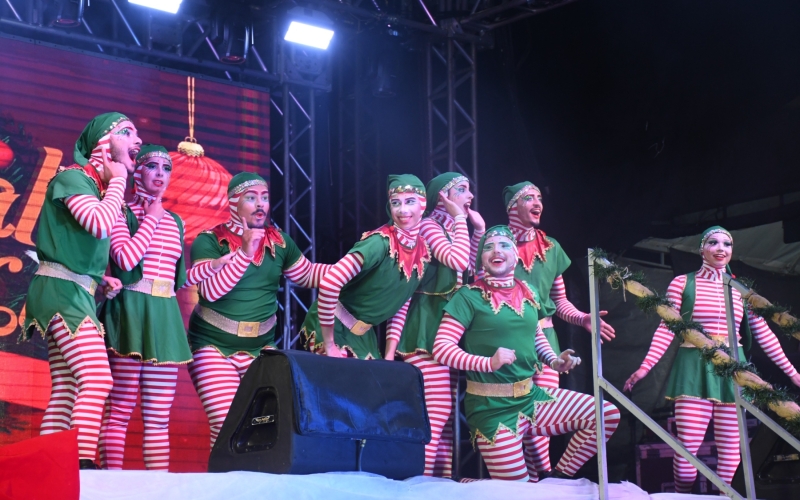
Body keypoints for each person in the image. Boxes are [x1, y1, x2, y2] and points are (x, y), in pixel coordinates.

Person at [432, 225, 620, 481]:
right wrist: (488, 363)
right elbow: (442, 349)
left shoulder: (529, 291)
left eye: (504, 245)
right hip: (492, 409)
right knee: (520, 491)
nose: (496, 251)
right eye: (488, 247)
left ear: (516, 255)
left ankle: (558, 478)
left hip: (531, 398)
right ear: (481, 258)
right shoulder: (468, 296)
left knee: (606, 414)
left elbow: (535, 334)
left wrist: (554, 360)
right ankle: (473, 488)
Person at [624, 225, 800, 492]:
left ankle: (726, 497)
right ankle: (683, 496)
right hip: (694, 366)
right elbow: (667, 327)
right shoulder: (683, 282)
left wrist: (793, 372)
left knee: (731, 449)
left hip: (734, 369)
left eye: (727, 244)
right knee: (687, 448)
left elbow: (764, 334)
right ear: (701, 249)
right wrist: (645, 367)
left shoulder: (741, 290)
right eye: (713, 243)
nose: (721, 249)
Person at [97, 145, 231, 470]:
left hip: (165, 317)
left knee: (158, 416)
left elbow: (177, 281)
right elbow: (125, 259)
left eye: (166, 168)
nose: (160, 174)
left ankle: (158, 487)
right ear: (138, 171)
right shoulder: (120, 212)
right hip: (130, 311)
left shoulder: (175, 221)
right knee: (120, 410)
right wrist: (151, 221)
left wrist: (213, 267)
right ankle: (110, 485)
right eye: (152, 166)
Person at [22, 112, 141, 469]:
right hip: (61, 292)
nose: (137, 140)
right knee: (97, 378)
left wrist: (98, 279)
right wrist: (119, 181)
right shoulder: (73, 177)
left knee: (67, 386)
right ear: (103, 142)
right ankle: (81, 466)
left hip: (72, 289)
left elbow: (75, 242)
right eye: (127, 132)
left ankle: (49, 468)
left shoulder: (95, 187)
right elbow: (99, 224)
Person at [187, 172, 330, 447]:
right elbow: (211, 291)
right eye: (251, 198)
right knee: (225, 422)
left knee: (261, 426)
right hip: (213, 345)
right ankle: (222, 476)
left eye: (264, 197)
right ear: (233, 203)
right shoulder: (210, 240)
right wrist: (244, 253)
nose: (261, 204)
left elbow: (307, 274)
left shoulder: (279, 241)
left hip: (260, 347)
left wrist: (351, 269)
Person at [503, 180, 616, 477]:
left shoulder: (550, 247)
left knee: (542, 420)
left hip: (546, 338)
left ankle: (548, 481)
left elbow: (560, 301)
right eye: (529, 198)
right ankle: (525, 484)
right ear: (512, 206)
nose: (538, 203)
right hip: (510, 338)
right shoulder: (497, 245)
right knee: (515, 423)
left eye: (540, 197)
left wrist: (582, 318)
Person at [383, 173, 484, 477]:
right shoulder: (429, 225)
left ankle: (439, 483)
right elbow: (456, 260)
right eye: (462, 190)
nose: (470, 196)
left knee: (445, 416)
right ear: (443, 196)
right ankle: (422, 484)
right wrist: (460, 219)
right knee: (436, 414)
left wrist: (478, 231)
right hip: (425, 327)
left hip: (447, 328)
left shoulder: (450, 227)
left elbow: (469, 269)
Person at [301, 174, 430, 360]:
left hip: (363, 335)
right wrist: (329, 345)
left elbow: (400, 302)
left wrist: (389, 355)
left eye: (410, 201)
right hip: (335, 328)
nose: (402, 210)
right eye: (395, 203)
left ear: (423, 204)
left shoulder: (422, 252)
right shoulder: (379, 242)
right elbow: (330, 283)